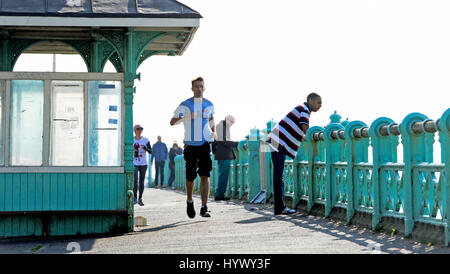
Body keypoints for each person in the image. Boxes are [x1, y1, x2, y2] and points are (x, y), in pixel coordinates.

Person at [265, 93, 322, 215]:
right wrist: (312, 140)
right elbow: (304, 127)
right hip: (278, 142)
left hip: (276, 141)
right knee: (278, 176)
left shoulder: (302, 108)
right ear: (310, 100)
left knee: (277, 175)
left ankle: (279, 207)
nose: (320, 106)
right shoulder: (304, 109)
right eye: (318, 102)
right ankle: (280, 207)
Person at [170, 76, 216, 218]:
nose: (199, 89)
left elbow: (211, 120)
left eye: (201, 86)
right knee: (190, 177)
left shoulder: (209, 104)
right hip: (190, 145)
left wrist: (214, 132)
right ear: (192, 89)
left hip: (204, 144)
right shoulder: (185, 104)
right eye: (196, 86)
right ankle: (189, 201)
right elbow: (172, 122)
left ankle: (204, 207)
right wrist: (186, 116)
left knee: (205, 175)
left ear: (204, 87)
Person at [212, 115, 239, 201]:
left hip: (223, 154)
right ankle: (219, 194)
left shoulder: (223, 126)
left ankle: (220, 194)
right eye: (231, 121)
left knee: (223, 175)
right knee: (223, 175)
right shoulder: (221, 126)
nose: (232, 124)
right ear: (227, 119)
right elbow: (224, 141)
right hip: (223, 154)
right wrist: (236, 144)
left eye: (233, 122)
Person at [133, 124, 152, 206]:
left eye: (141, 129)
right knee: (135, 181)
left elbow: (151, 151)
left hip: (143, 163)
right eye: (138, 129)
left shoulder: (145, 140)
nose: (140, 130)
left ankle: (140, 198)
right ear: (135, 130)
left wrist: (145, 148)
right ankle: (134, 198)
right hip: (134, 162)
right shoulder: (131, 140)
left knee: (141, 182)